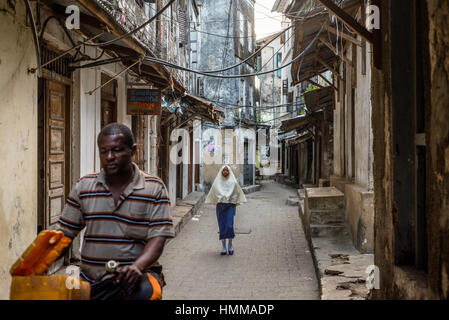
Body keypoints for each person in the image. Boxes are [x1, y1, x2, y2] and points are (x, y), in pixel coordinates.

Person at [56, 123, 174, 300]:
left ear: (132, 150)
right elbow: (64, 233)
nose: (109, 157)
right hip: (93, 283)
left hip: (138, 282)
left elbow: (158, 238)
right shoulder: (84, 187)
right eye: (104, 152)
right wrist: (38, 263)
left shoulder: (154, 188)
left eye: (117, 150)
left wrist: (138, 266)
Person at [205, 165, 247, 255]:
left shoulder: (233, 182)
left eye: (226, 170)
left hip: (230, 206)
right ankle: (224, 247)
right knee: (222, 226)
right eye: (223, 170)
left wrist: (230, 199)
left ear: (229, 172)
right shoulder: (217, 182)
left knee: (229, 225)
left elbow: (236, 193)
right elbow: (214, 193)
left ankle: (230, 245)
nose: (225, 172)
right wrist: (221, 197)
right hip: (220, 207)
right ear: (221, 172)